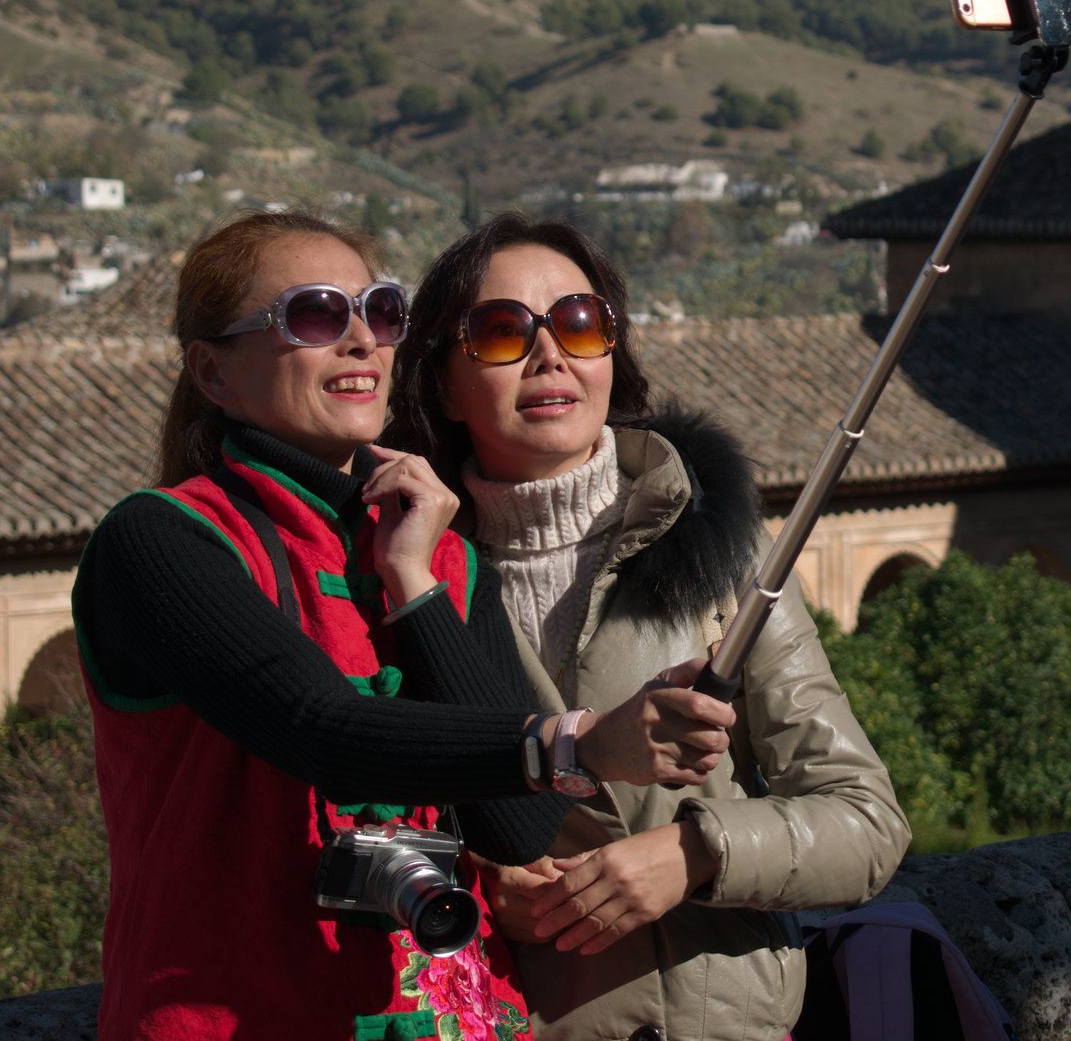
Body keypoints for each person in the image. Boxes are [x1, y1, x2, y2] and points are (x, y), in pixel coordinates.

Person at [72, 209, 732, 1041]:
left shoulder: (439, 554)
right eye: (315, 314)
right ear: (213, 372)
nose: (361, 340)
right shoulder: (162, 540)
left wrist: (416, 586)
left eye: (381, 312)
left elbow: (515, 825)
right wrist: (583, 742)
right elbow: (322, 728)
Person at [389, 212, 910, 1041]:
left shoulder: (717, 548)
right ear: (444, 383)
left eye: (580, 324)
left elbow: (867, 821)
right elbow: (354, 815)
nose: (549, 354)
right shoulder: (401, 571)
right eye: (499, 332)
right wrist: (477, 879)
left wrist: (697, 852)